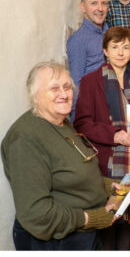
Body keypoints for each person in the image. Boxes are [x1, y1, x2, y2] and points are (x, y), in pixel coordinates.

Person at [1, 61, 121, 250]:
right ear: (35, 96)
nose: (64, 94)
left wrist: (106, 186)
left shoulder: (62, 122)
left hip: (81, 234)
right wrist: (93, 218)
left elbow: (69, 171)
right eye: (54, 88)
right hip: (55, 241)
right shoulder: (25, 138)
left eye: (67, 87)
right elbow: (37, 214)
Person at [74, 27, 130, 250]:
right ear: (105, 50)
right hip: (107, 164)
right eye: (115, 47)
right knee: (108, 222)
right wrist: (113, 135)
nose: (120, 52)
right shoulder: (90, 81)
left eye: (126, 47)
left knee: (127, 224)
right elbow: (81, 124)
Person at [67, 0, 109, 121]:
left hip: (112, 108)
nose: (100, 9)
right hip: (92, 113)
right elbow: (76, 84)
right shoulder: (78, 40)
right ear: (83, 7)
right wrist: (78, 121)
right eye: (94, 3)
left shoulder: (110, 33)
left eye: (104, 3)